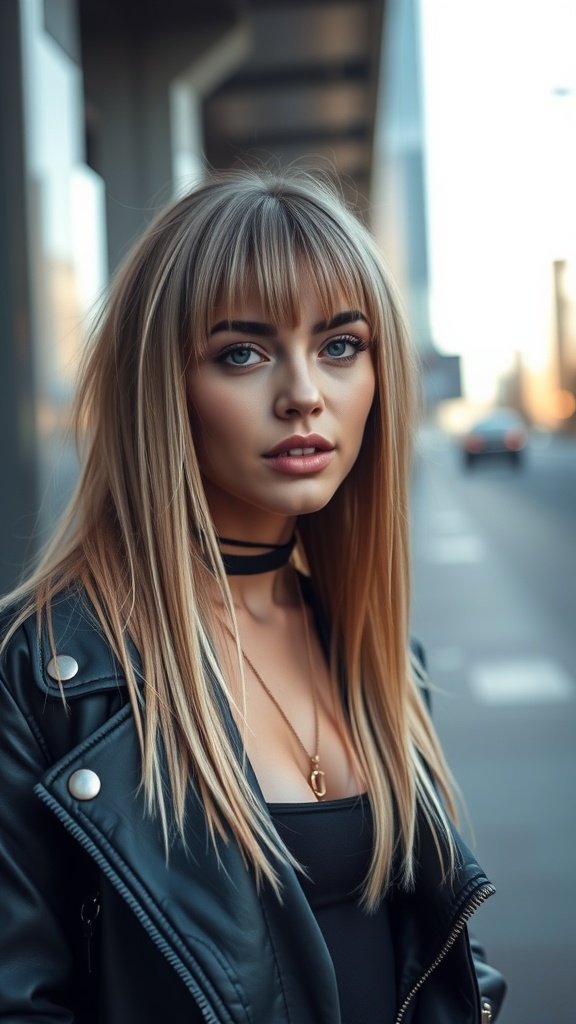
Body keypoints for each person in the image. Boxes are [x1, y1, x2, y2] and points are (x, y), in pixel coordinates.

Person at [0, 169, 505, 1024]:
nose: (304, 393)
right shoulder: (50, 678)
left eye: (340, 346)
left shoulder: (375, 653)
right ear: (163, 388)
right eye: (243, 352)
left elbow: (439, 959)